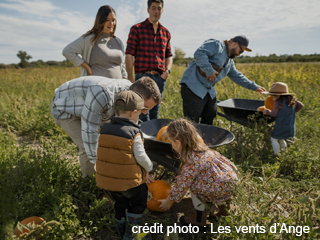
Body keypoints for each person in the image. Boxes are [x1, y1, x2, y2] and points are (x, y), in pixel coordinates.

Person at [51, 76, 161, 177]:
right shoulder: (103, 94)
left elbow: (131, 131)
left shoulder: (130, 96)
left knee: (105, 142)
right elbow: (89, 130)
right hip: (65, 109)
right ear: (137, 97)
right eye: (145, 107)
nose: (146, 113)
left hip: (91, 110)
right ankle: (90, 185)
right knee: (87, 146)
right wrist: (104, 169)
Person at [158, 119, 238, 229]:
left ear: (178, 143)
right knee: (215, 182)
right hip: (230, 182)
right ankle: (224, 212)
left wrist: (168, 201)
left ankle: (199, 219)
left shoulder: (191, 162)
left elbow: (181, 185)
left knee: (194, 185)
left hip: (217, 188)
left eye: (171, 141)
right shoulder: (205, 150)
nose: (171, 145)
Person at [96, 90, 153, 239]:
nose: (138, 117)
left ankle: (120, 230)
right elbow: (141, 157)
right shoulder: (134, 133)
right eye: (139, 114)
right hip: (130, 183)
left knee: (120, 203)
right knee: (138, 203)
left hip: (109, 182)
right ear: (132, 113)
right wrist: (149, 168)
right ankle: (131, 234)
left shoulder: (104, 129)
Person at [180, 35, 266, 125]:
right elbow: (199, 53)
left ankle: (203, 138)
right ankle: (187, 138)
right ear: (235, 44)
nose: (239, 54)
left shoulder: (229, 62)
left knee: (210, 115)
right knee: (192, 120)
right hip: (193, 86)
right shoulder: (216, 44)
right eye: (241, 50)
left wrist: (254, 87)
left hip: (208, 90)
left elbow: (237, 76)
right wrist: (209, 71)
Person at [125, 0, 173, 122]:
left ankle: (152, 139)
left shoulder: (166, 32)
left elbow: (169, 55)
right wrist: (130, 77)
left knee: (155, 110)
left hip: (160, 77)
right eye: (153, 8)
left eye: (159, 8)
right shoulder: (137, 29)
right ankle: (142, 139)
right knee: (142, 112)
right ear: (148, 10)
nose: (156, 11)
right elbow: (129, 54)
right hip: (142, 77)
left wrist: (167, 71)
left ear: (162, 10)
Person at [63, 5, 127, 79]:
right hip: (97, 87)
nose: (111, 23)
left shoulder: (118, 42)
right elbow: (67, 51)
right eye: (107, 20)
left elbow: (122, 67)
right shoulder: (90, 38)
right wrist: (86, 66)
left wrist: (125, 81)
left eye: (113, 20)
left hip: (118, 87)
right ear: (100, 20)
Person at [262, 82, 304, 157]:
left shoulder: (278, 102)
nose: (271, 97)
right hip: (291, 127)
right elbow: (301, 105)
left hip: (280, 126)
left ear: (278, 95)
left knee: (274, 138)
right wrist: (293, 112)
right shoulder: (292, 100)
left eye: (272, 95)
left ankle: (276, 155)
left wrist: (267, 111)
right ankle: (284, 154)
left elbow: (274, 114)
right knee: (282, 139)